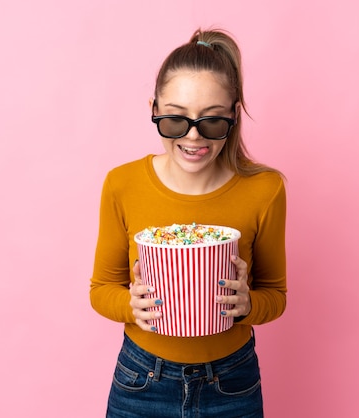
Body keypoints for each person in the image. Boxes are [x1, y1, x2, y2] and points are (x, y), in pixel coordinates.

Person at [90, 27, 287, 418]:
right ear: (154, 109)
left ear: (233, 115)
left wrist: (248, 304)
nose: (193, 137)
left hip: (232, 383)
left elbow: (276, 294)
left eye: (212, 122)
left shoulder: (265, 189)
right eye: (175, 120)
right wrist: (131, 305)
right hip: (142, 380)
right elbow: (101, 288)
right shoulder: (122, 184)